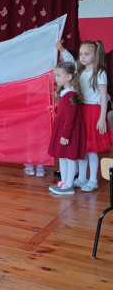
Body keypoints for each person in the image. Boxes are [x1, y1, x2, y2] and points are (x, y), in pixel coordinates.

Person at [61, 40, 112, 191]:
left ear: (95, 55)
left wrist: (102, 118)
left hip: (94, 112)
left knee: (91, 150)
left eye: (86, 54)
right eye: (81, 54)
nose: (82, 57)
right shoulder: (81, 72)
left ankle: (93, 180)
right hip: (82, 111)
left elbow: (103, 97)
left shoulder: (100, 73)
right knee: (82, 148)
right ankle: (82, 178)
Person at [48, 62, 86, 195]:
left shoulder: (71, 94)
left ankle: (69, 184)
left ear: (69, 77)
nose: (56, 78)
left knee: (70, 157)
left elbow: (70, 118)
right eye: (55, 75)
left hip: (69, 131)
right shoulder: (65, 93)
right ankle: (64, 182)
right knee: (62, 156)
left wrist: (65, 135)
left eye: (58, 75)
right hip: (63, 129)